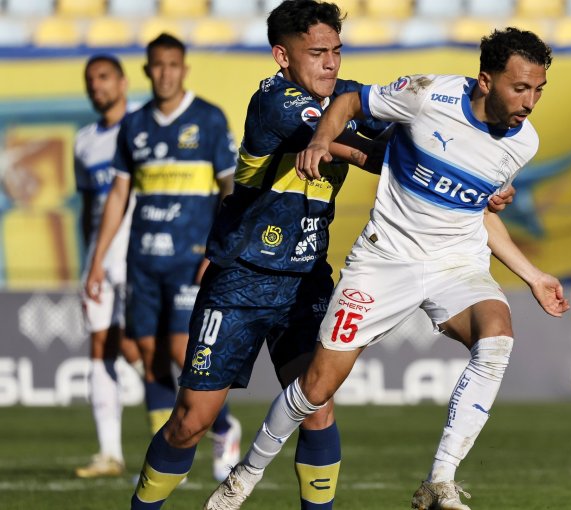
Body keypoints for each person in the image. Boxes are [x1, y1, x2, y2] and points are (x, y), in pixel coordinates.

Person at [127, 4, 515, 509]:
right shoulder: (276, 101)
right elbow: (362, 148)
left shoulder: (346, 95)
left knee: (318, 406)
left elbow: (417, 135)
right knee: (190, 423)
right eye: (316, 53)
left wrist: (475, 180)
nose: (330, 63)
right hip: (241, 277)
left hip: (306, 277)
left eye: (336, 51)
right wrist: (447, 173)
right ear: (281, 56)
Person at [206, 27, 569, 510]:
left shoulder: (522, 143)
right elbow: (351, 103)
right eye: (520, 88)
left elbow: (477, 212)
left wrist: (534, 276)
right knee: (316, 388)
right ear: (486, 80)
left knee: (497, 337)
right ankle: (244, 478)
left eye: (538, 89)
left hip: (455, 263)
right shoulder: (427, 95)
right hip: (385, 262)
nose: (530, 101)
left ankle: (440, 480)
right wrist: (320, 141)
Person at [84, 33, 241, 489]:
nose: (166, 73)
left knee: (180, 350)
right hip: (142, 260)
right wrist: (96, 262)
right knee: (149, 357)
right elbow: (118, 196)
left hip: (190, 257)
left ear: (183, 68)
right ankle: (166, 447)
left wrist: (219, 249)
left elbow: (229, 189)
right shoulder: (134, 126)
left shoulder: (208, 119)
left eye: (174, 65)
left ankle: (224, 426)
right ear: (148, 70)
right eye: (158, 65)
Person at [73, 54, 144, 479]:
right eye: (90, 80)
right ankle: (110, 453)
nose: (96, 86)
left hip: (137, 251)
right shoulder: (84, 141)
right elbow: (88, 206)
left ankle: (207, 424)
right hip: (99, 256)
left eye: (103, 77)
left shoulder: (142, 124)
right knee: (101, 346)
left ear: (121, 81)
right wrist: (90, 259)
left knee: (138, 347)